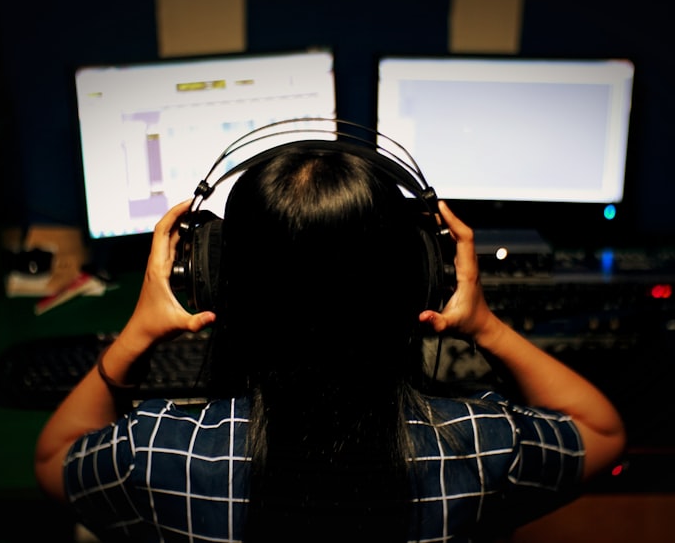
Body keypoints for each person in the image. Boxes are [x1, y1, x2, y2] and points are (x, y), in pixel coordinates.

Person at [34, 131, 626, 542]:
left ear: (211, 282)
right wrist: (486, 326)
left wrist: (136, 334)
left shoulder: (159, 452)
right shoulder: (481, 443)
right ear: (423, 280)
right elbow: (602, 431)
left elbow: (53, 458)